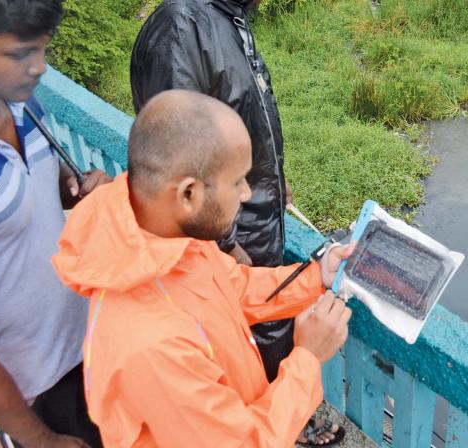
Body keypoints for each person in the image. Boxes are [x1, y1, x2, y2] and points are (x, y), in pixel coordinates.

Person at [52, 90, 351, 447]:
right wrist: (307, 358)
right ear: (189, 194)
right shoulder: (150, 343)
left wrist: (315, 277)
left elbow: (229, 287)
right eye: (237, 181)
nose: (244, 194)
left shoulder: (162, 235)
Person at [129, 1, 332, 441]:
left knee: (259, 334)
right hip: (229, 236)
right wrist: (224, 244)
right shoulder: (181, 29)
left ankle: (287, 418)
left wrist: (273, 181)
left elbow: (238, 121)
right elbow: (181, 150)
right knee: (245, 342)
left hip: (243, 232)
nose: (244, 187)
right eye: (239, 181)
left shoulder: (228, 19)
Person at [0, 1, 109, 446]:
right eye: (21, 54)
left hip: (88, 342)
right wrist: (40, 440)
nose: (39, 67)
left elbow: (46, 189)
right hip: (36, 387)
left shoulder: (24, 105)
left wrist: (79, 187)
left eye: (44, 49)